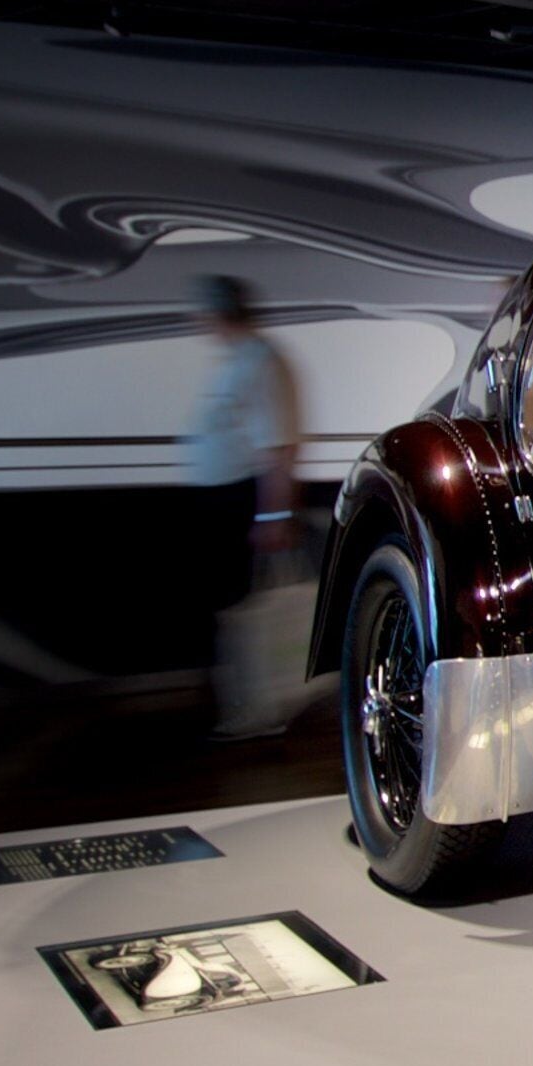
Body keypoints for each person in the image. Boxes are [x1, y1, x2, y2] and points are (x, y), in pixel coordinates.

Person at [184, 276, 305, 739]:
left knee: (246, 612)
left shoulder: (261, 361)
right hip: (224, 501)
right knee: (233, 612)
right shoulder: (240, 359)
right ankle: (245, 706)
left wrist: (273, 515)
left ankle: (259, 709)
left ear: (218, 312)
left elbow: (278, 447)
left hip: (240, 500)